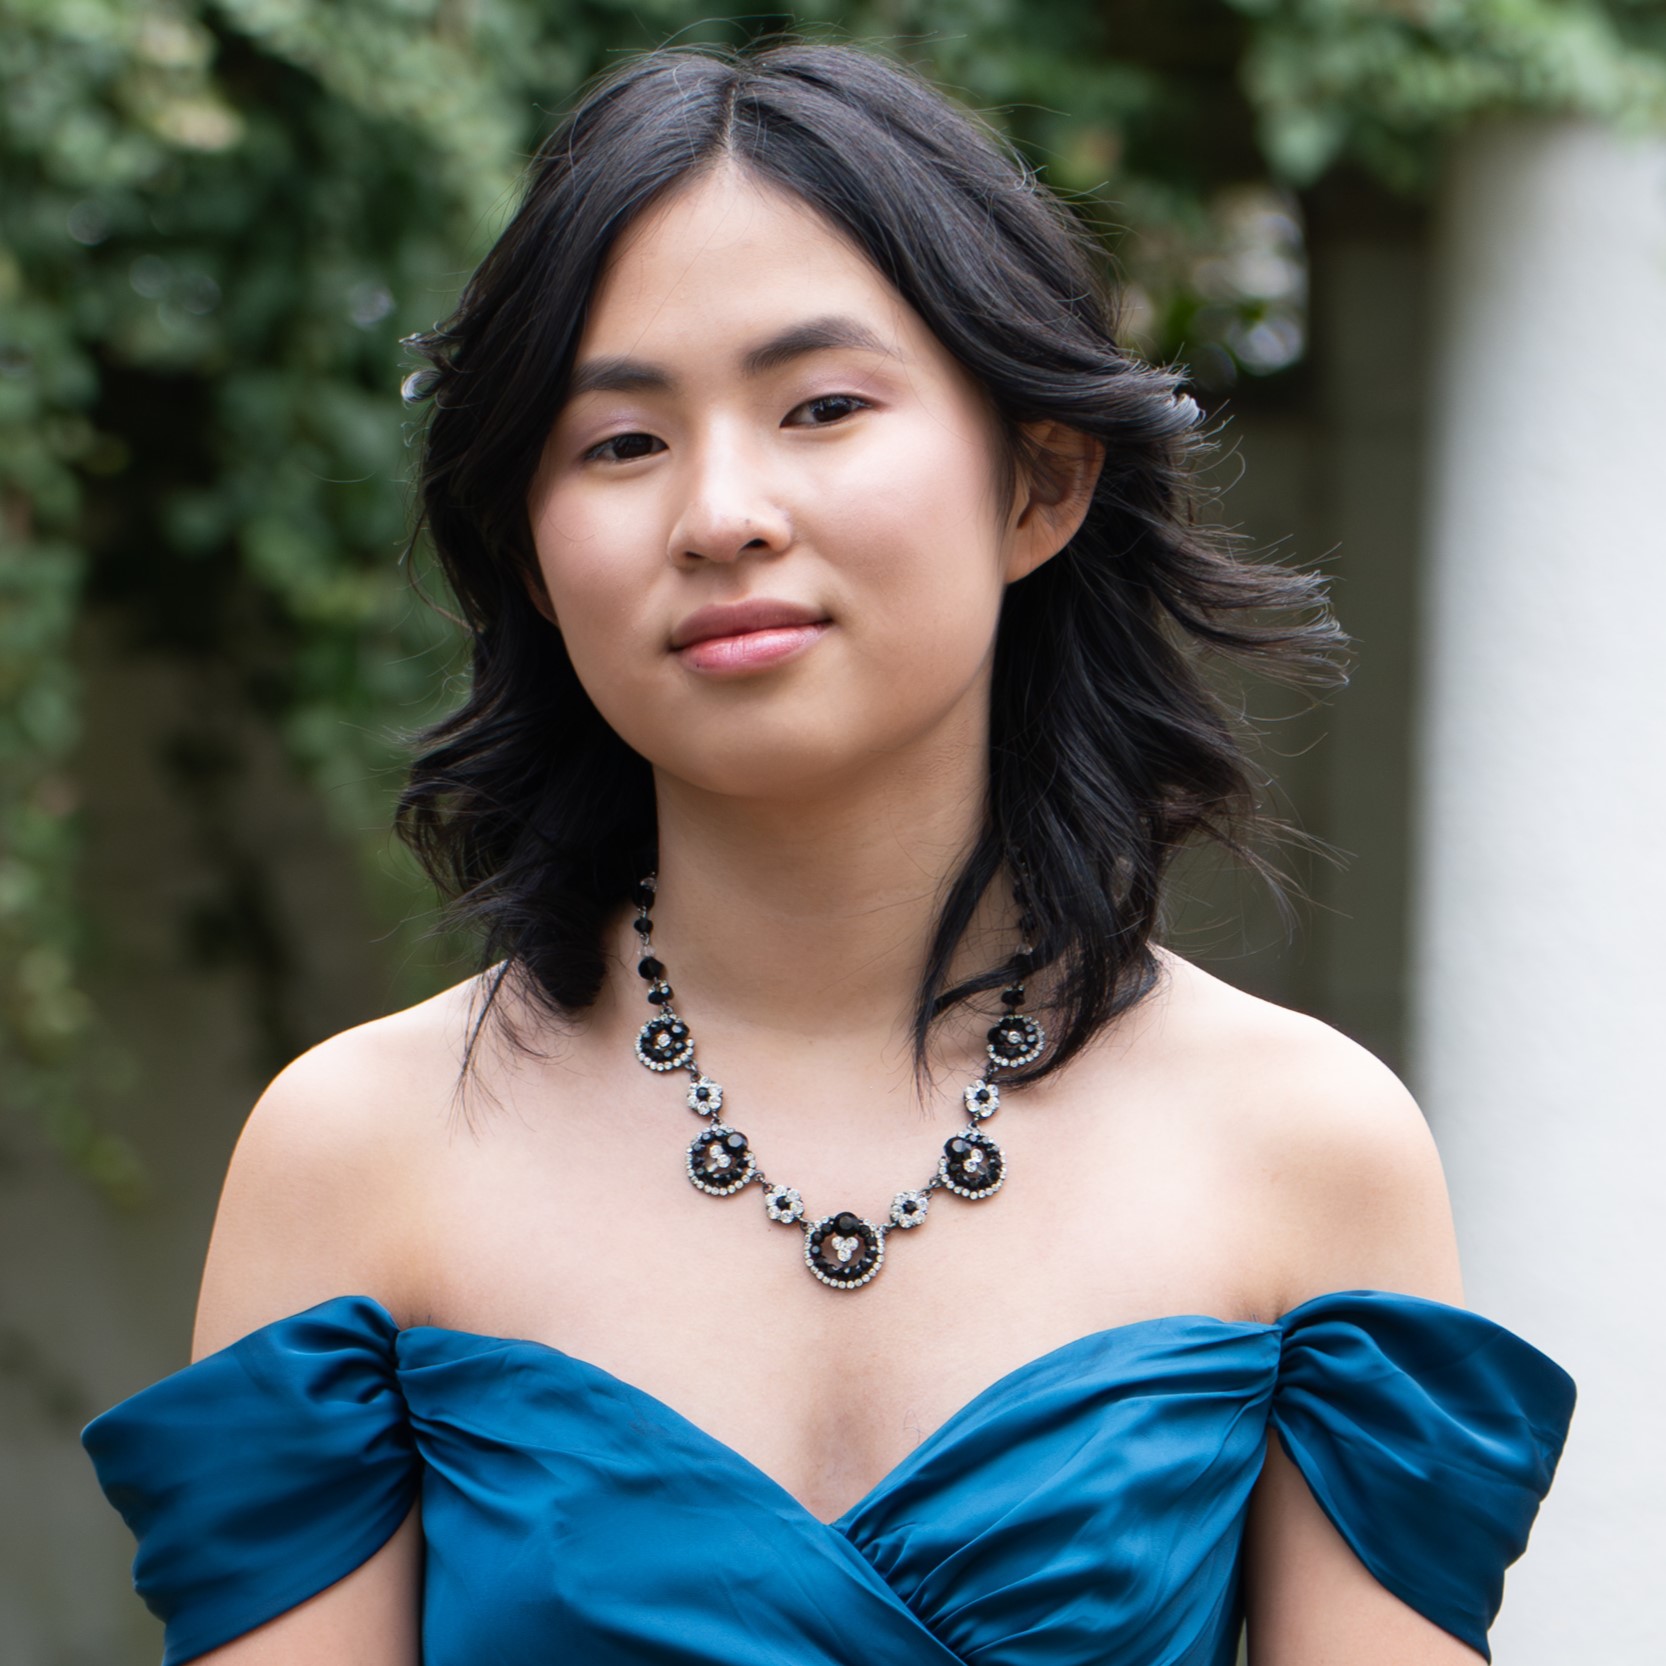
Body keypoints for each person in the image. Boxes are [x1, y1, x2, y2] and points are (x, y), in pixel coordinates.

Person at [82, 40, 1574, 1666]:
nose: (720, 510)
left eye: (822, 406)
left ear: (1041, 481)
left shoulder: (1303, 1147)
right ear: (529, 541)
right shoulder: (358, 1155)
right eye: (619, 442)